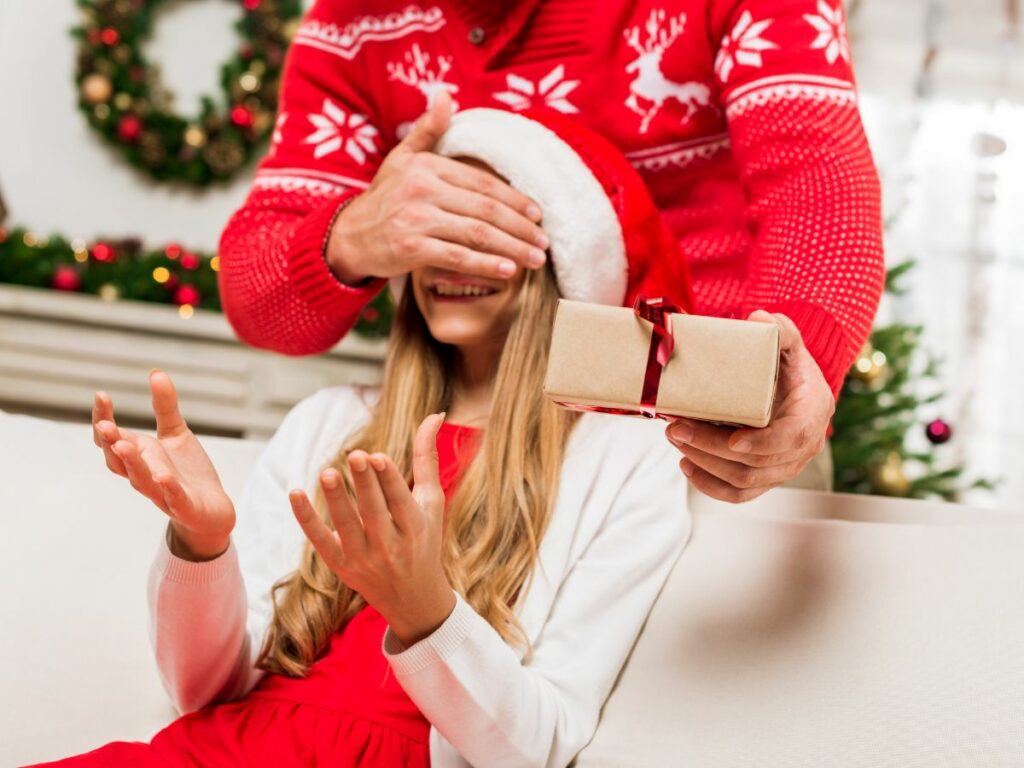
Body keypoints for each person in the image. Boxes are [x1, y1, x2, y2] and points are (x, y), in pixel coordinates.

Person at [29, 159, 689, 767]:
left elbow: (538, 746)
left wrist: (425, 608)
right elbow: (201, 690)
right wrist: (201, 546)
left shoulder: (625, 461)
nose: (448, 258)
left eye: (480, 231)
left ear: (560, 259)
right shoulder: (329, 419)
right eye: (431, 231)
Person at [217, 0, 885, 503]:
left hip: (708, 448)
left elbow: (819, 190)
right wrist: (354, 235)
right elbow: (256, 301)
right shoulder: (351, 24)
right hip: (478, 448)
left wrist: (797, 368)